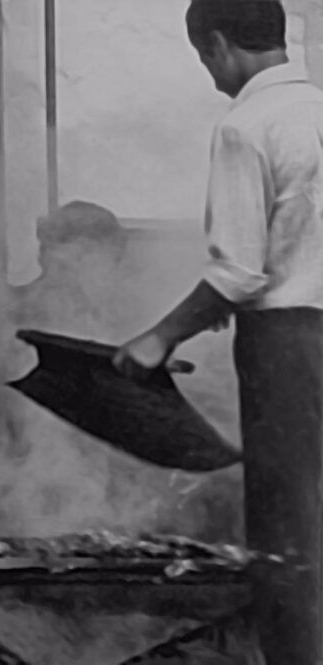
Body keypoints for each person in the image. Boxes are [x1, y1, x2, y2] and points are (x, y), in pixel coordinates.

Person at [115, 2, 323, 663]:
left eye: (205, 59)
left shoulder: (245, 124)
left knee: (292, 534)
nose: (209, 74)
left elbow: (238, 270)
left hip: (290, 345)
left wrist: (158, 337)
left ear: (219, 43)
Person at [0, 201, 242, 544]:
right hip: (5, 500)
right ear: (46, 256)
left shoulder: (119, 321)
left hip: (91, 513)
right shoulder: (3, 319)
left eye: (91, 257)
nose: (72, 269)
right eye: (64, 254)